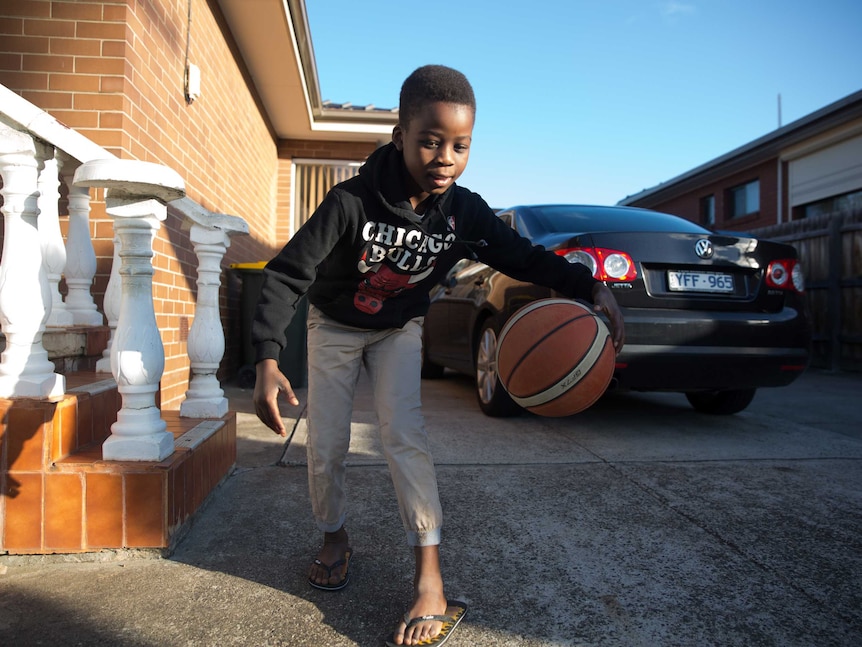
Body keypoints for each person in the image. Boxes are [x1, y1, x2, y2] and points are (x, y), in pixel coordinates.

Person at [251, 64, 625, 647]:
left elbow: (520, 256)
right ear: (399, 135)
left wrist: (588, 285)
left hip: (399, 328)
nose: (445, 156)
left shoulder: (464, 212)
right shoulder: (350, 202)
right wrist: (268, 358)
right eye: (430, 140)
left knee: (404, 436)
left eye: (460, 145)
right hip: (336, 325)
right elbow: (286, 275)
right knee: (326, 443)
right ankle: (334, 535)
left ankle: (430, 577)